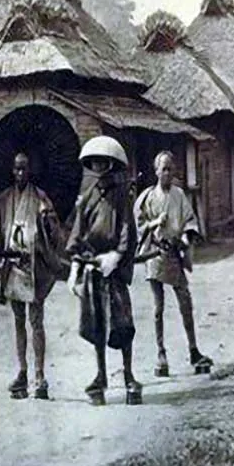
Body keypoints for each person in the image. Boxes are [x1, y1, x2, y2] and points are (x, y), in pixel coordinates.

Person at [0, 152, 64, 400]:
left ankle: (40, 375)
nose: (20, 173)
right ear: (11, 171)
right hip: (13, 266)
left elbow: (55, 234)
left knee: (36, 321)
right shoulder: (3, 200)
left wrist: (48, 221)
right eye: (16, 168)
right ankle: (22, 372)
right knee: (18, 321)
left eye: (24, 168)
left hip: (34, 266)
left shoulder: (40, 198)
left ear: (30, 171)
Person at [66, 136, 142, 406]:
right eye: (94, 162)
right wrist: (76, 265)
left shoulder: (122, 196)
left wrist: (118, 255)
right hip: (93, 269)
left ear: (111, 163)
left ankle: (129, 376)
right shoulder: (87, 198)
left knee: (122, 323)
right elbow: (77, 233)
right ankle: (100, 376)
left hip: (114, 268)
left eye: (103, 161)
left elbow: (127, 231)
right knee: (96, 323)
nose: (98, 165)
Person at [133, 151, 212, 377]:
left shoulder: (179, 195)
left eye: (170, 169)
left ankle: (194, 350)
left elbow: (189, 220)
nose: (167, 173)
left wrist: (187, 236)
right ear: (156, 171)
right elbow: (138, 225)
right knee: (158, 307)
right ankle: (161, 353)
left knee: (185, 302)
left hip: (174, 252)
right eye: (163, 169)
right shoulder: (147, 197)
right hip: (155, 253)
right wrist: (153, 224)